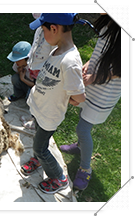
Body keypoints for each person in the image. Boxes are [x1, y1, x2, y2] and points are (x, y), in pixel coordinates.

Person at [20, 13, 86, 194]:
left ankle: (58, 177)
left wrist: (66, 98)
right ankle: (39, 158)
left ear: (54, 29)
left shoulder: (70, 62)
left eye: (43, 30)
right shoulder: (56, 49)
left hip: (49, 114)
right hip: (40, 108)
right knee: (38, 140)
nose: (43, 35)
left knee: (40, 147)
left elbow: (80, 97)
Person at [59, 14, 121, 190]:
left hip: (106, 88)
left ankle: (85, 168)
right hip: (94, 78)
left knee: (83, 128)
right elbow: (102, 49)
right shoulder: (109, 21)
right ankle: (79, 146)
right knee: (82, 111)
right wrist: (89, 62)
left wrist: (97, 77)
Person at [8, 13, 55, 102]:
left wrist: (22, 78)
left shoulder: (36, 65)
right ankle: (18, 94)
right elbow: (17, 76)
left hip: (33, 87)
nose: (16, 62)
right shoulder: (17, 65)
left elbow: (36, 86)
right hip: (25, 84)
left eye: (18, 59)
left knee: (30, 97)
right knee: (14, 78)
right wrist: (20, 72)